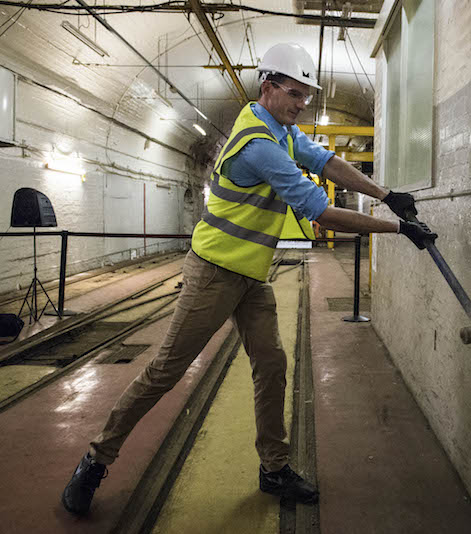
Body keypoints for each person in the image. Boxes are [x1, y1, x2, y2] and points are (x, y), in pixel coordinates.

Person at [62, 42, 437, 516]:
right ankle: (95, 460)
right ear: (269, 87)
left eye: (306, 95)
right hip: (214, 274)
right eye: (295, 94)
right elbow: (317, 208)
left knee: (272, 364)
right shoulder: (259, 145)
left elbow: (324, 162)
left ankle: (273, 469)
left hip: (250, 276)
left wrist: (386, 194)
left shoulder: (278, 129)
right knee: (165, 371)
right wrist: (398, 227)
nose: (303, 104)